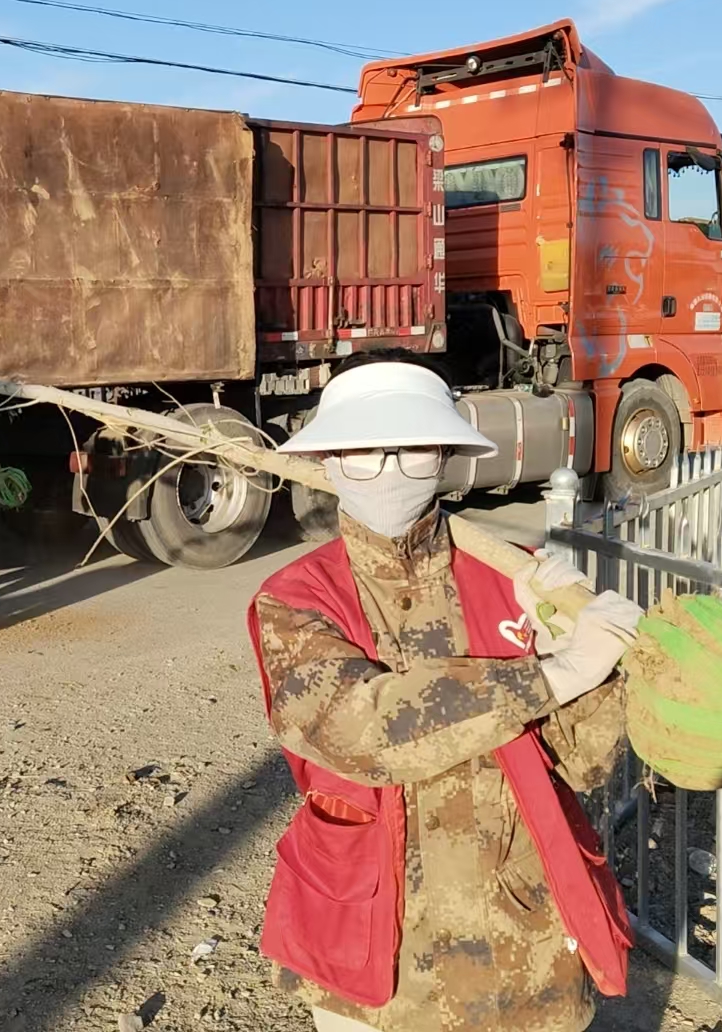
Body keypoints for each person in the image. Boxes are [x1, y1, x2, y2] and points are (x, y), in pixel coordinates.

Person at [250, 352, 641, 1032]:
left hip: (520, 934)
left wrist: (595, 664)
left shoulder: (510, 580)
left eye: (413, 448)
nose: (388, 469)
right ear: (330, 461)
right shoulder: (296, 599)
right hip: (377, 941)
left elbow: (583, 763)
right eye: (364, 451)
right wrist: (552, 675)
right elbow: (360, 731)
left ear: (445, 457)